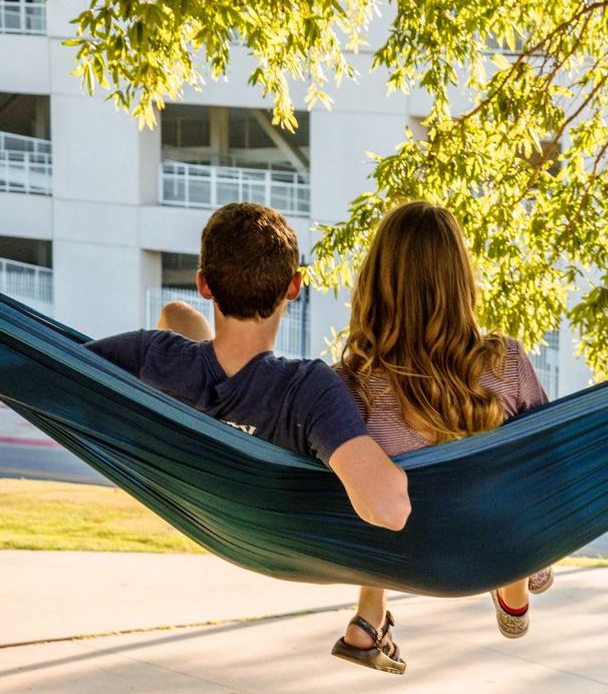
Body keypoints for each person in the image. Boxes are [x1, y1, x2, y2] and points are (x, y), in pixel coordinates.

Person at [86, 202, 413, 672]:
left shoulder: (150, 355)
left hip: (197, 477)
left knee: (176, 320)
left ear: (204, 283)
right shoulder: (308, 391)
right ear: (294, 288)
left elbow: (57, 369)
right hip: (280, 534)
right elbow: (390, 509)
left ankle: (212, 368)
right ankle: (370, 616)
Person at [331, 201, 552, 673]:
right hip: (485, 542)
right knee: (526, 451)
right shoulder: (506, 362)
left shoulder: (347, 385)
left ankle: (370, 613)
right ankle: (517, 569)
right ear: (460, 282)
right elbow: (550, 452)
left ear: (375, 281)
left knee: (368, 472)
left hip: (398, 551)